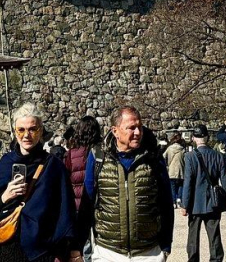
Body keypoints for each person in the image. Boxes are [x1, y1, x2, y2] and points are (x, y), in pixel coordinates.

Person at [0, 104, 81, 262]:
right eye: (21, 130)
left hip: (42, 252)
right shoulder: (5, 163)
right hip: (7, 249)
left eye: (32, 129)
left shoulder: (54, 166)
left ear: (41, 131)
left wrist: (73, 250)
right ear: (15, 132)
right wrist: (4, 197)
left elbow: (66, 211)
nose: (26, 135)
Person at [83, 105, 174, 261]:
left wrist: (165, 247)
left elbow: (166, 203)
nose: (138, 132)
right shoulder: (98, 156)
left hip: (148, 253)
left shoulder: (153, 157)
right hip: (108, 252)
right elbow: (87, 203)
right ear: (115, 131)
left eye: (140, 127)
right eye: (131, 128)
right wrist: (78, 246)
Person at [180, 124, 226, 262]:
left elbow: (188, 182)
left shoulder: (190, 156)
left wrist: (184, 204)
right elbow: (224, 180)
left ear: (194, 138)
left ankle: (193, 259)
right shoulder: (218, 156)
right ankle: (216, 259)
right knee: (214, 234)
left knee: (193, 234)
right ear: (207, 137)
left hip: (195, 201)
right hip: (213, 200)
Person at [65, 116, 101, 262]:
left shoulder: (71, 153)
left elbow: (66, 179)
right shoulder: (101, 152)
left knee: (81, 245)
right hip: (99, 204)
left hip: (78, 205)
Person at [164, 132, 186, 209]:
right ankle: (179, 199)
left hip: (171, 171)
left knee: (172, 187)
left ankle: (173, 202)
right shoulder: (182, 149)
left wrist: (167, 165)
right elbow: (185, 160)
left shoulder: (169, 149)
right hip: (181, 171)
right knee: (180, 185)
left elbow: (163, 157)